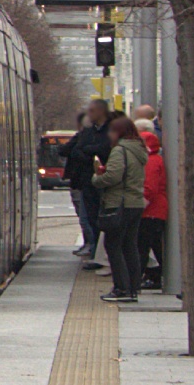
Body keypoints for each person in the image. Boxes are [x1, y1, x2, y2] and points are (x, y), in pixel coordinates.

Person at [93, 116, 148, 303]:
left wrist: (97, 178)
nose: (109, 135)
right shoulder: (138, 150)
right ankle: (133, 287)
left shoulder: (119, 151)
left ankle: (122, 288)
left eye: (112, 131)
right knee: (130, 246)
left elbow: (113, 177)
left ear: (119, 132)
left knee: (113, 245)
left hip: (119, 203)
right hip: (135, 203)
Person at [62, 100, 112, 268]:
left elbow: (104, 149)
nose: (89, 114)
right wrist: (88, 152)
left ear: (100, 111)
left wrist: (87, 151)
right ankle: (96, 253)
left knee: (101, 219)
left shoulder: (110, 130)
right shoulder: (89, 131)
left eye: (92, 111)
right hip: (87, 182)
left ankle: (101, 255)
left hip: (102, 182)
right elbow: (76, 149)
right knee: (91, 218)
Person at [137, 123, 167, 290]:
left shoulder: (150, 162)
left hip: (151, 211)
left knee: (143, 246)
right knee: (152, 245)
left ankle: (140, 278)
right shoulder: (155, 160)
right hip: (156, 210)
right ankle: (154, 277)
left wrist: (138, 207)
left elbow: (149, 188)